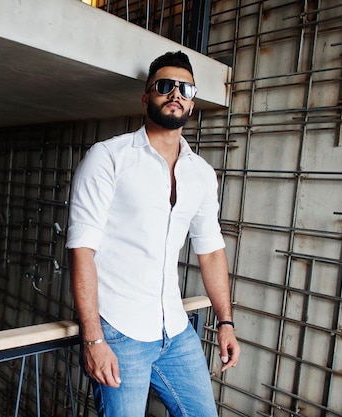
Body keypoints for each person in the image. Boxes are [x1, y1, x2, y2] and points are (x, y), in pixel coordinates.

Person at [66, 51, 240, 417]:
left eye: (185, 88)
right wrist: (93, 338)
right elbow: (81, 249)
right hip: (119, 329)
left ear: (192, 101)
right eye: (164, 86)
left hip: (175, 330)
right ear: (147, 97)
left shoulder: (202, 174)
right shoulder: (108, 157)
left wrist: (225, 322)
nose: (175, 93)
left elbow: (210, 250)